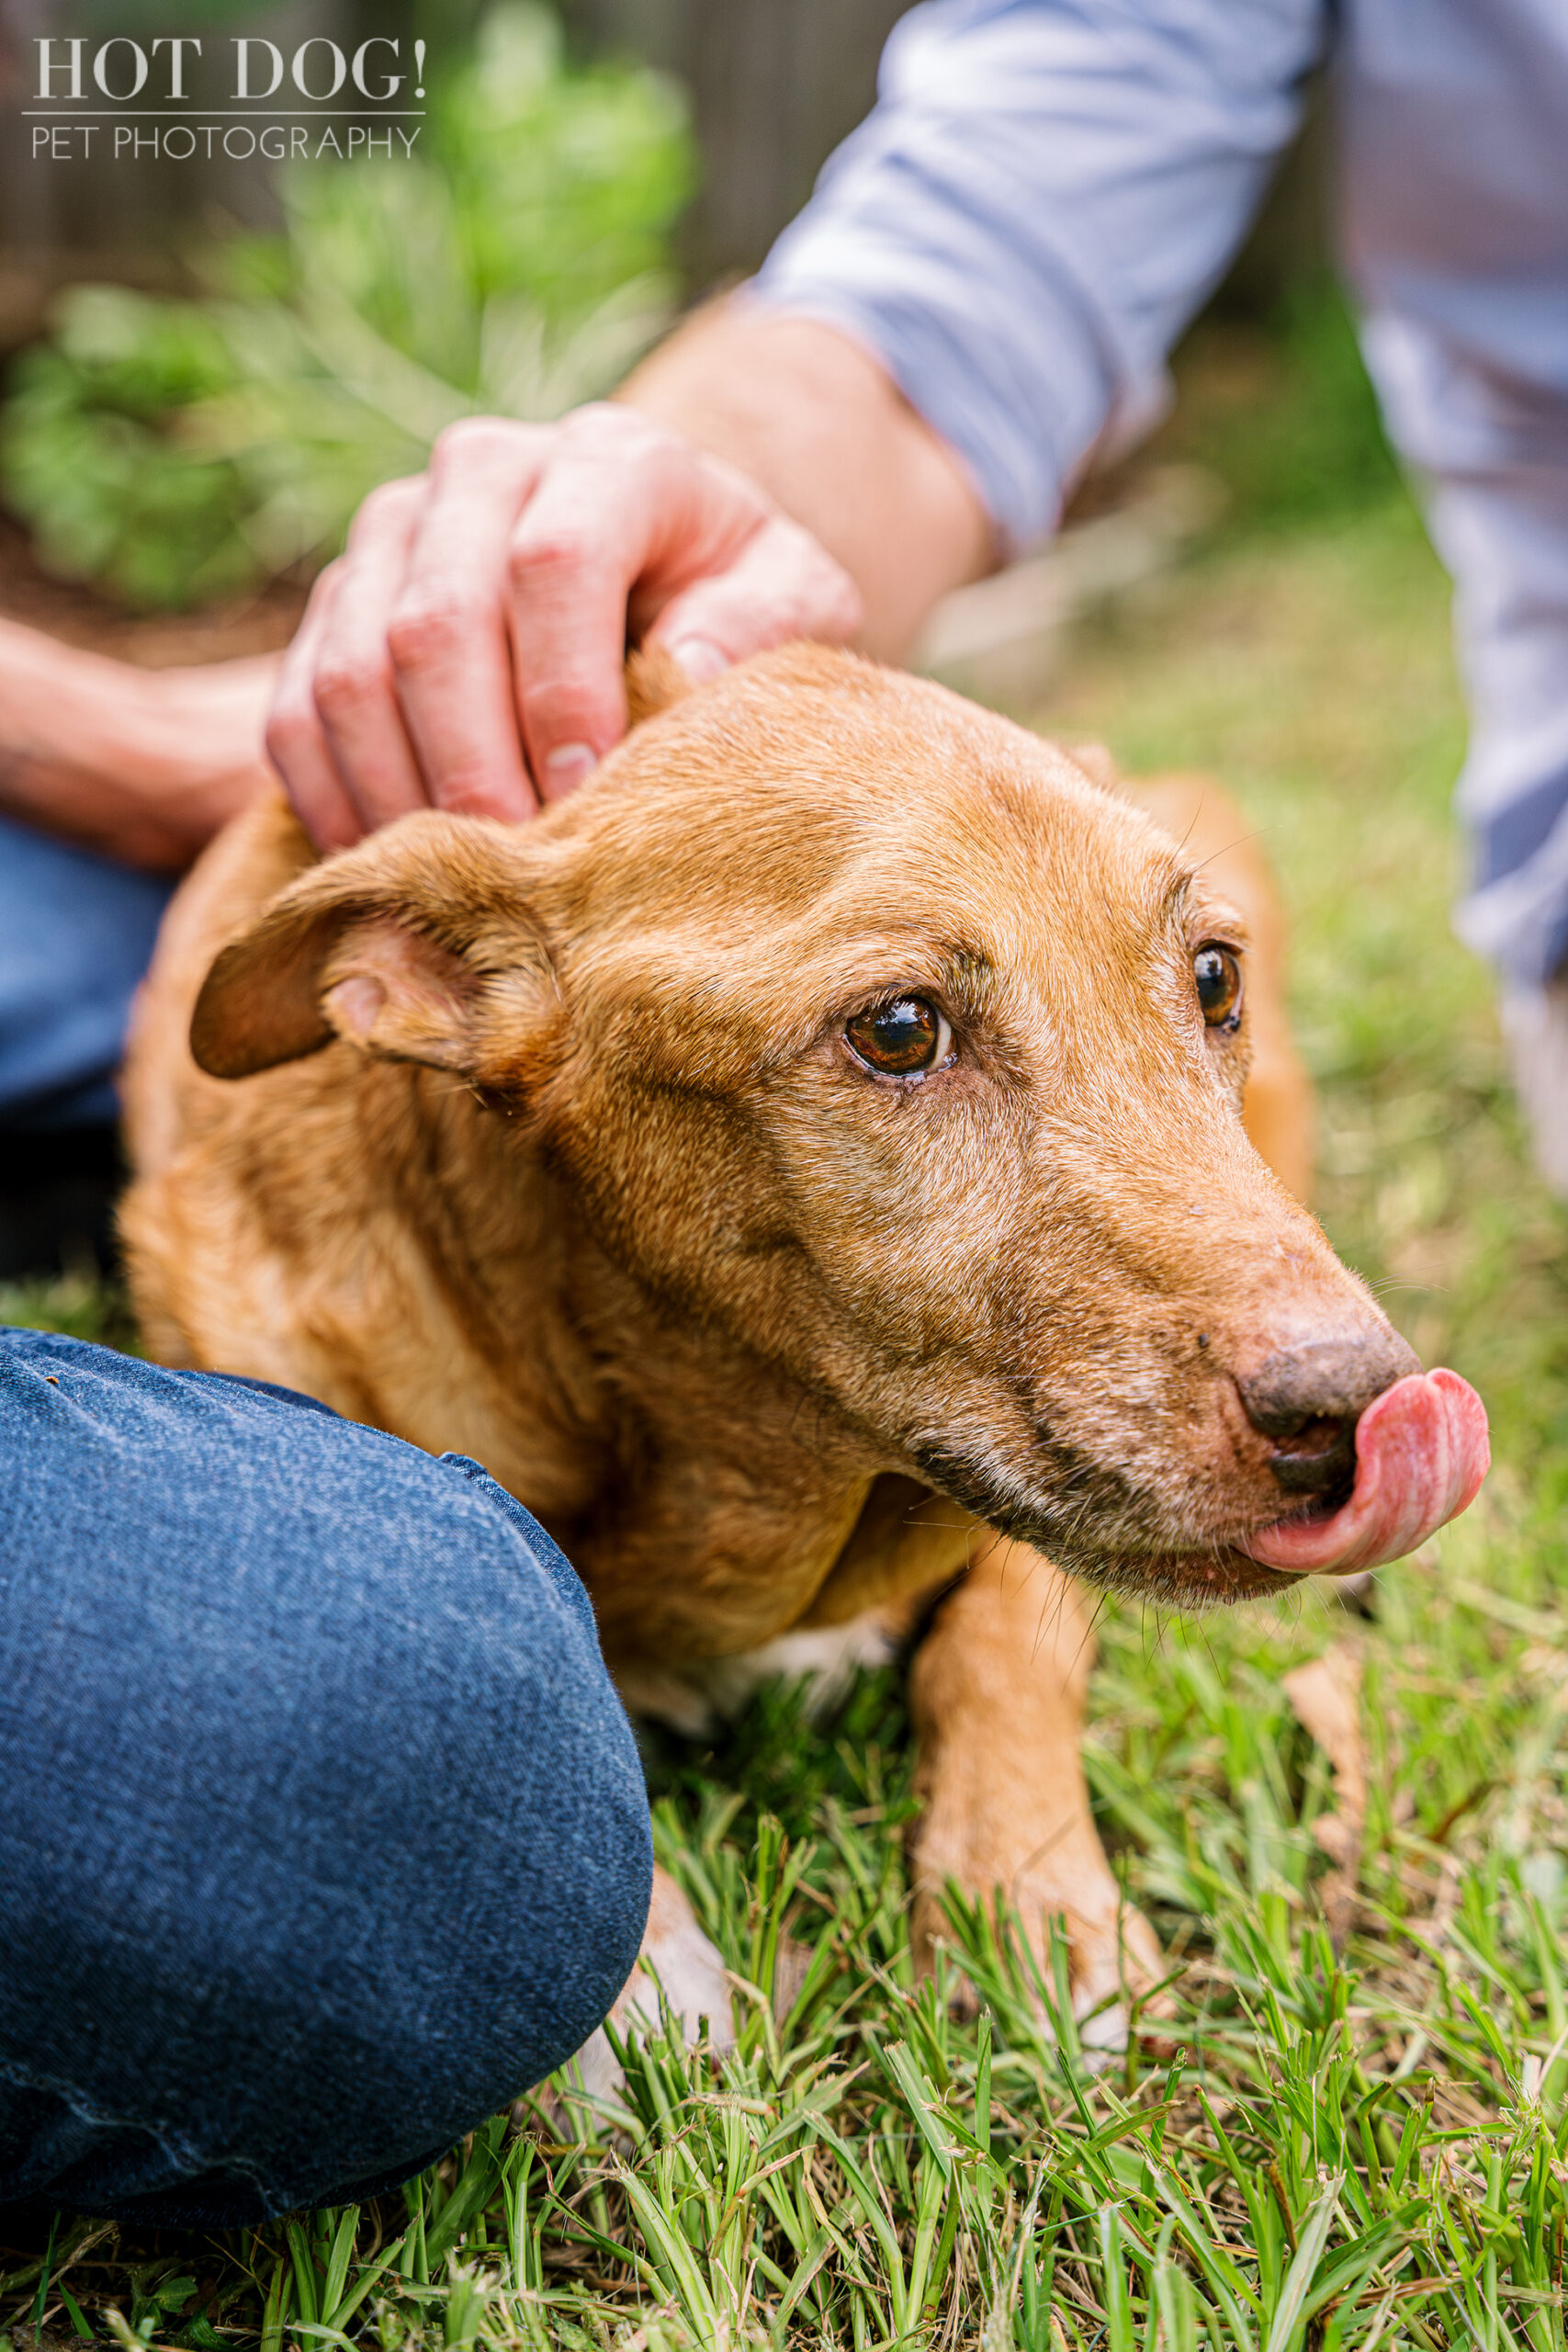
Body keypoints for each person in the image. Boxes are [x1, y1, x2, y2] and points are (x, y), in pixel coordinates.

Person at [4, 0, 1565, 2221]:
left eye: (1196, 982)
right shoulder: (328, 1211)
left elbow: (950, 314)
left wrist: (1009, 1715)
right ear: (423, 989)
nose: (1332, 1336)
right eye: (902, 1040)